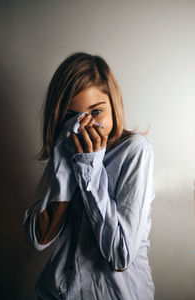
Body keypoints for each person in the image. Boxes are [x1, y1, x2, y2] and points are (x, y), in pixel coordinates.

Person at [23, 52, 155, 300]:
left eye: (96, 112)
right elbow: (38, 238)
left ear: (114, 106)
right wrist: (63, 160)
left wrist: (88, 165)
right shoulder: (65, 148)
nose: (83, 125)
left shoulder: (136, 150)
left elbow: (120, 254)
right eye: (72, 116)